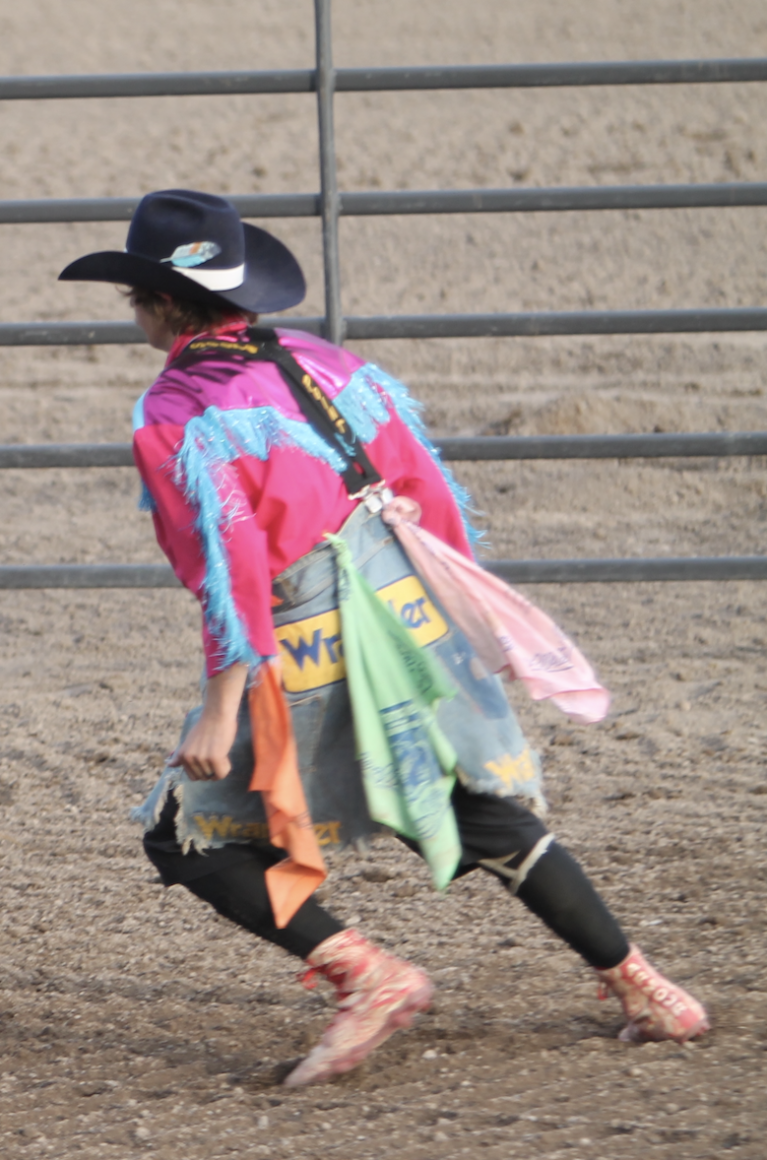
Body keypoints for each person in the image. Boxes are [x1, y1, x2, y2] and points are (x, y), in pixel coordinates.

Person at [59, 189, 708, 1086]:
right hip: (403, 601)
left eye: (136, 299)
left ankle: (368, 977)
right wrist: (454, 621)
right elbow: (428, 489)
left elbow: (230, 560)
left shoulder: (177, 408)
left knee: (188, 831)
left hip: (307, 630)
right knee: (462, 801)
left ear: (164, 305)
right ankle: (644, 987)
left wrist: (221, 704)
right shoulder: (327, 363)